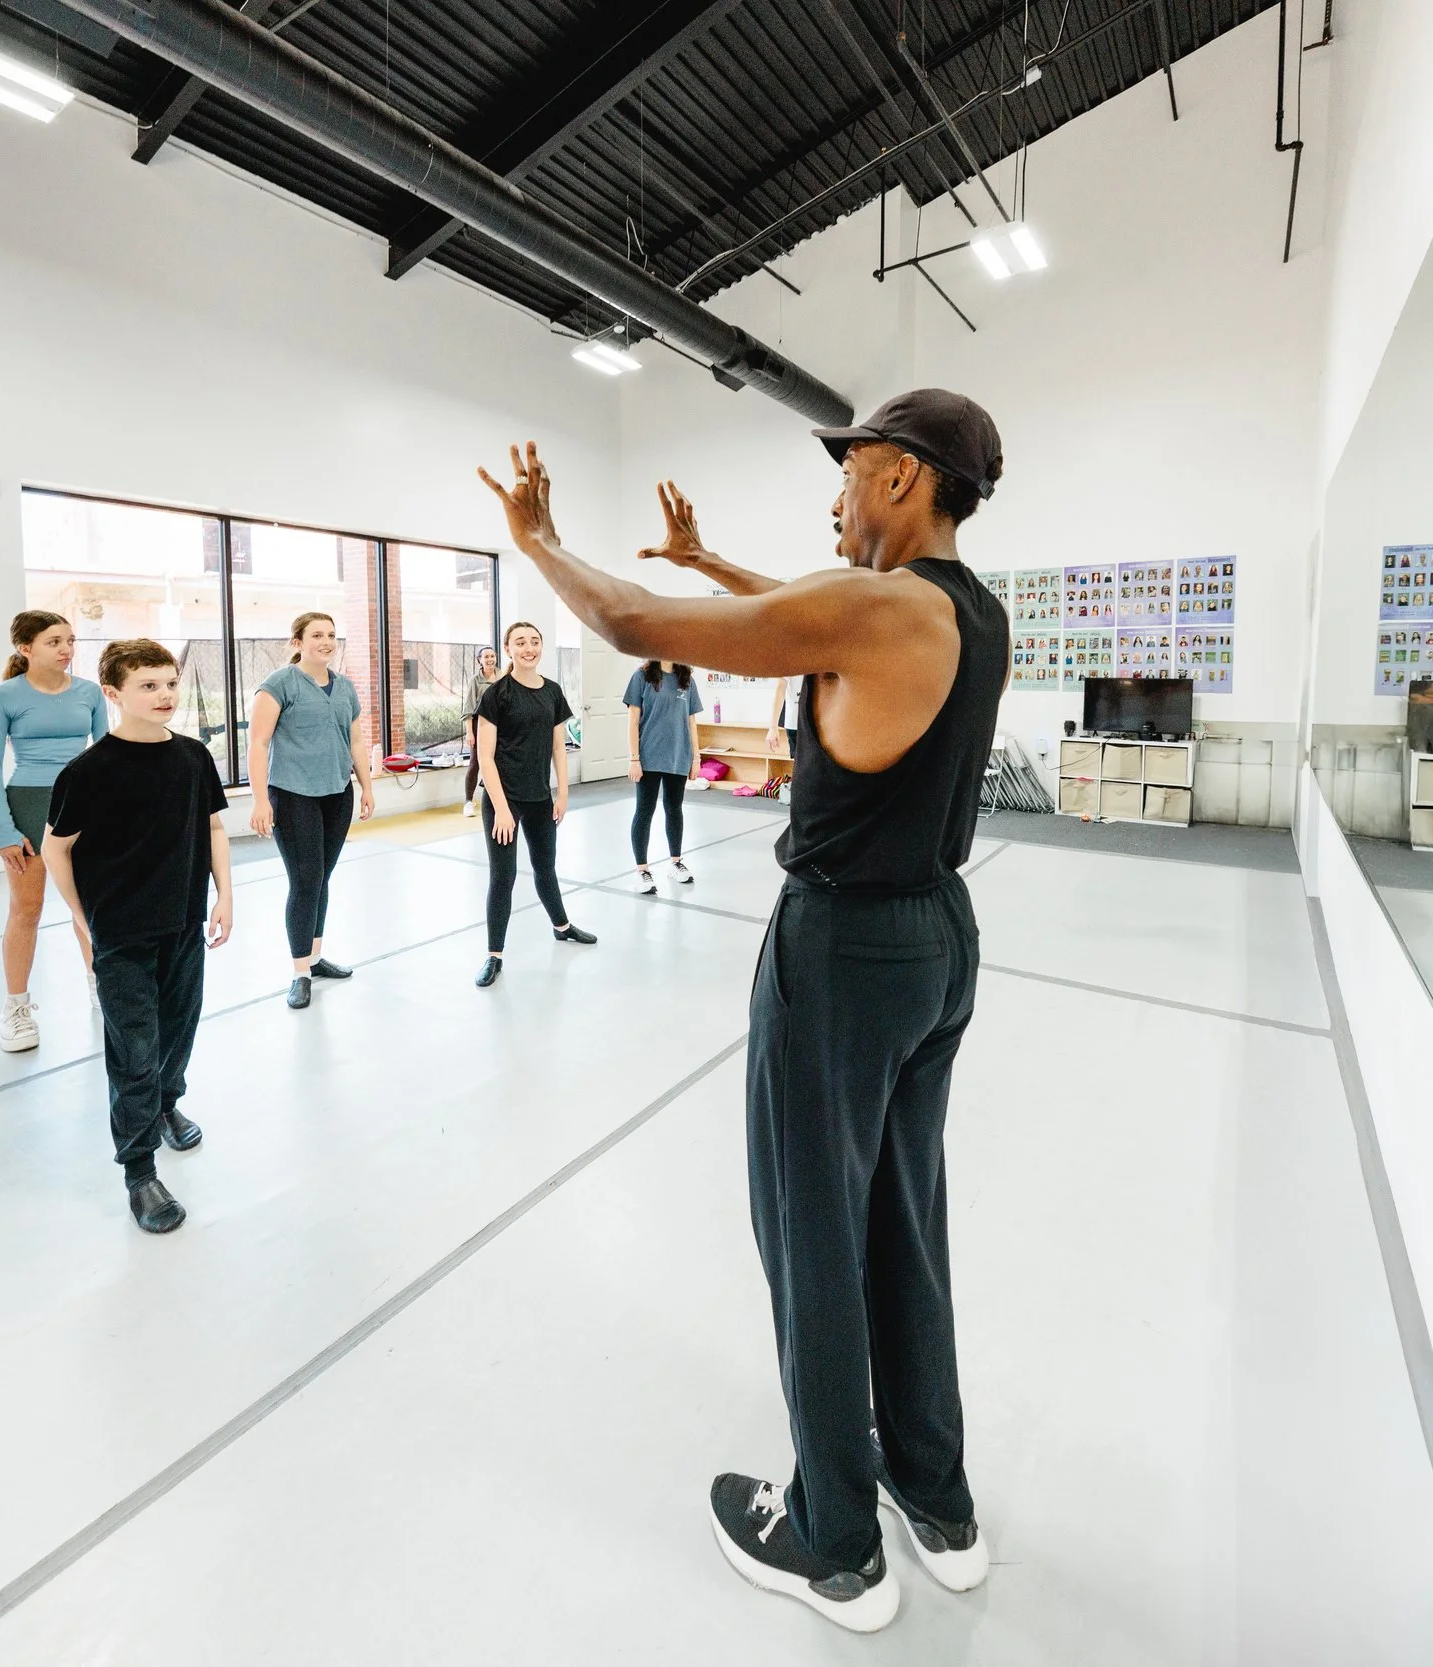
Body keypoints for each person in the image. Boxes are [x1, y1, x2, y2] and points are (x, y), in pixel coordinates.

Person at [478, 388, 1011, 1634]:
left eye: (847, 472)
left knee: (813, 1231)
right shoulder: (960, 609)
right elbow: (807, 615)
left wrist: (536, 537)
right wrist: (710, 559)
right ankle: (935, 1496)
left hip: (845, 948)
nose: (835, 498)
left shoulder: (880, 607)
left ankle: (834, 1539)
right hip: (938, 937)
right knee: (902, 1217)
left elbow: (626, 619)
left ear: (898, 475)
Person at [42, 639, 233, 1235]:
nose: (164, 695)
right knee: (134, 1047)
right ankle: (140, 1171)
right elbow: (56, 849)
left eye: (170, 683)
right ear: (113, 693)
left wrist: (225, 894)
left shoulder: (193, 758)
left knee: (179, 1028)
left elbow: (213, 828)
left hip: (183, 922)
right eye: (148, 685)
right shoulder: (88, 771)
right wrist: (82, 918)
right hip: (121, 932)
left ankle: (167, 1103)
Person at [0, 609, 106, 1053]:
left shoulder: (90, 692)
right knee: (27, 909)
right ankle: (15, 1008)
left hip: (84, 805)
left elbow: (107, 757)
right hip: (29, 806)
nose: (66, 649)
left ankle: (100, 986)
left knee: (89, 908)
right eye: (54, 642)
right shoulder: (3, 696)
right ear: (25, 648)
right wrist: (3, 831)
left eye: (70, 640)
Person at [247, 611, 375, 1010]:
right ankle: (300, 972)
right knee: (305, 881)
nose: (326, 642)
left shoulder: (345, 687)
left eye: (331, 635)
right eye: (317, 635)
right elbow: (258, 743)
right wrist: (260, 799)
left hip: (337, 794)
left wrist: (367, 786)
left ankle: (315, 958)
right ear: (297, 642)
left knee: (322, 878)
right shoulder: (279, 684)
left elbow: (356, 741)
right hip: (293, 794)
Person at [472, 619, 595, 987]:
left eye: (535, 641)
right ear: (508, 649)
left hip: (540, 797)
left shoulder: (552, 692)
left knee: (546, 869)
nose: (529, 648)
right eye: (521, 642)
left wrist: (563, 793)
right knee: (503, 876)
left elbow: (559, 746)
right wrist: (502, 808)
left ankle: (562, 926)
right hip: (503, 800)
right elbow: (485, 757)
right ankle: (494, 955)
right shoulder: (497, 694)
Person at [624, 658, 703, 893]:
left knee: (674, 809)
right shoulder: (641, 676)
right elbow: (633, 721)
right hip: (648, 757)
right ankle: (642, 870)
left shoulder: (686, 680)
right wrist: (634, 758)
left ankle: (676, 862)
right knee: (644, 810)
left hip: (678, 755)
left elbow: (691, 722)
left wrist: (696, 758)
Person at [460, 646, 503, 817]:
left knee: (499, 761)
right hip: (480, 725)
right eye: (486, 657)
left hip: (501, 725)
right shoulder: (475, 681)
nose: (490, 659)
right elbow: (468, 709)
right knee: (475, 763)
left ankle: (495, 798)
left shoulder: (503, 677)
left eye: (492, 656)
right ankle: (468, 802)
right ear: (480, 660)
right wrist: (470, 733)